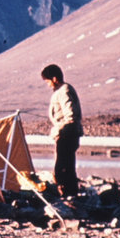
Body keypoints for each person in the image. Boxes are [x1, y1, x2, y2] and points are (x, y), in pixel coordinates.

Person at [40, 63, 84, 197]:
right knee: (66, 166)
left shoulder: (64, 91)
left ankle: (68, 194)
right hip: (66, 132)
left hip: (67, 133)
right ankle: (69, 193)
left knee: (63, 167)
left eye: (47, 81)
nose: (48, 84)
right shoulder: (61, 91)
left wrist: (64, 131)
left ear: (54, 79)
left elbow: (70, 114)